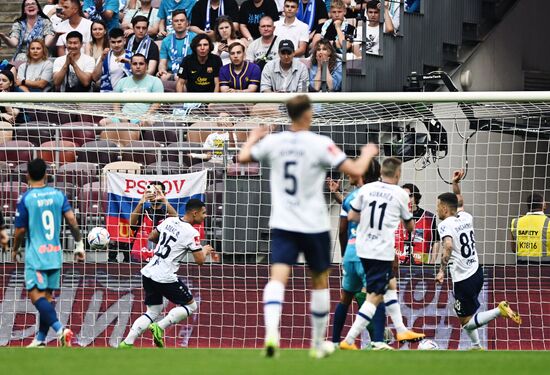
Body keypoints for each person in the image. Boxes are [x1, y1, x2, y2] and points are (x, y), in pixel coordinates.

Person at [238, 95, 380, 359]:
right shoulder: (320, 144)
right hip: (313, 225)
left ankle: (271, 333)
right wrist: (367, 153)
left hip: (282, 223)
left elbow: (243, 156)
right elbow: (357, 170)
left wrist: (253, 137)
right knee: (319, 282)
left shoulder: (274, 141)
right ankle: (316, 344)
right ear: (307, 114)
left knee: (277, 279)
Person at [340, 158, 425, 350]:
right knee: (375, 296)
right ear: (397, 174)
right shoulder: (399, 194)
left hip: (362, 249)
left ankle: (402, 329)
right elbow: (410, 226)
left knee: (390, 285)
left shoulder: (366, 190)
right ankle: (349, 340)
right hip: (381, 250)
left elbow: (352, 216)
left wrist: (370, 219)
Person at [118, 199, 218, 348]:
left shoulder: (169, 221)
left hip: (149, 271)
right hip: (165, 276)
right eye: (203, 213)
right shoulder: (192, 232)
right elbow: (200, 261)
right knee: (191, 307)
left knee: (153, 311)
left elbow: (151, 236)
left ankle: (127, 343)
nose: (205, 216)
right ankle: (160, 326)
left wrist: (170, 242)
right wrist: (206, 250)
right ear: (194, 212)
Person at [11, 158, 85, 348]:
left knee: (36, 297)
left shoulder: (26, 198)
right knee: (47, 298)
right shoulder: (58, 195)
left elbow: (19, 231)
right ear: (46, 174)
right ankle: (41, 339)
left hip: (36, 256)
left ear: (27, 174)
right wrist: (79, 244)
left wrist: (15, 248)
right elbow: (71, 220)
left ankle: (61, 330)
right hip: (55, 254)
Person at [435, 188, 521, 350]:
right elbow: (459, 201)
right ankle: (476, 346)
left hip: (463, 279)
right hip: (477, 272)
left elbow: (447, 246)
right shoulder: (466, 217)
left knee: (466, 323)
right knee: (463, 314)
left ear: (445, 209)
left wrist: (441, 270)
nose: (437, 209)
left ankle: (498, 310)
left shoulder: (445, 225)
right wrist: (456, 183)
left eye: (438, 206)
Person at [331, 159, 391, 350]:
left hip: (350, 250)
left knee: (345, 298)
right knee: (376, 296)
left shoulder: (351, 198)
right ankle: (379, 341)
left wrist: (344, 254)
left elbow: (342, 229)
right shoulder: (384, 196)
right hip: (369, 252)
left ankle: (333, 342)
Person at [99, 53, 164, 146]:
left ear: (146, 66)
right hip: (124, 116)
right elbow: (116, 103)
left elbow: (157, 103)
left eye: (141, 64)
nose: (138, 66)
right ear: (130, 65)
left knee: (148, 123)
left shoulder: (155, 81)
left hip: (145, 117)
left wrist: (145, 116)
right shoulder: (122, 81)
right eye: (134, 64)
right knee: (103, 122)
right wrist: (120, 116)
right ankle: (111, 150)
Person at [127, 181, 178, 263]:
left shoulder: (168, 214)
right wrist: (141, 203)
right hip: (140, 258)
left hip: (161, 259)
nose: (154, 194)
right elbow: (131, 224)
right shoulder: (143, 211)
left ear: (164, 194)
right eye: (152, 191)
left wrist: (165, 201)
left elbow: (177, 221)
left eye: (157, 192)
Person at [395, 182, 439, 265]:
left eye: (410, 196)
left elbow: (436, 240)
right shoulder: (394, 215)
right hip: (398, 266)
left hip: (421, 267)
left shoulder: (429, 217)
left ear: (416, 197)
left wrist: (432, 261)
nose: (407, 199)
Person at [510, 192, 550, 263]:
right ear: (543, 205)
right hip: (544, 267)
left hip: (522, 266)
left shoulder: (515, 222)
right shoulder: (548, 222)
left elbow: (514, 248)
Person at [158, 10, 196, 82]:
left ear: (187, 23)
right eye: (176, 21)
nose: (179, 23)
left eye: (182, 20)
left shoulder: (195, 38)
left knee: (180, 78)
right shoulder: (166, 41)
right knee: (163, 77)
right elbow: (162, 62)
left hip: (190, 72)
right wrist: (162, 70)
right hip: (171, 72)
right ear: (172, 24)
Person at [92, 28, 133, 92]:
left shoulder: (132, 57)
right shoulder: (104, 56)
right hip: (108, 97)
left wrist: (130, 62)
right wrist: (101, 60)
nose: (116, 45)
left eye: (119, 41)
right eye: (113, 42)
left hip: (127, 96)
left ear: (124, 41)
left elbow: (141, 76)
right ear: (109, 42)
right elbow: (95, 78)